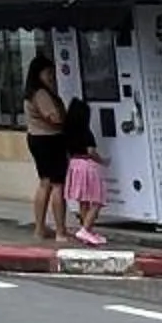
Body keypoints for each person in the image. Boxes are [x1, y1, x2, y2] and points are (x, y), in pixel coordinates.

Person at [20, 54, 67, 241]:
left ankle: (40, 229)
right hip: (50, 140)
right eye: (48, 73)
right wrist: (66, 120)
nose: (51, 77)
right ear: (38, 73)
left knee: (44, 183)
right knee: (57, 185)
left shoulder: (31, 92)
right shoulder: (41, 93)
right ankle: (60, 231)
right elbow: (53, 117)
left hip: (36, 138)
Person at [59, 91, 108, 248]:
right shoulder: (86, 132)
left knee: (83, 200)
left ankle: (87, 230)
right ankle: (85, 229)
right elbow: (91, 152)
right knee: (97, 200)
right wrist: (103, 161)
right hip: (87, 166)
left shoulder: (67, 132)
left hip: (74, 165)